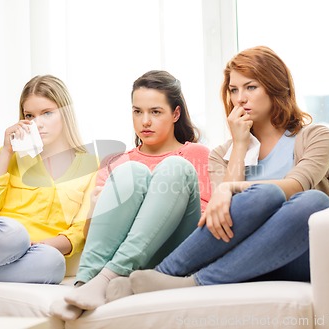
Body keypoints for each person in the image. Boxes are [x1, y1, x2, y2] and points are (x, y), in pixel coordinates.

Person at [111, 46, 329, 295]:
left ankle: (181, 277)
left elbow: (295, 186)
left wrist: (230, 187)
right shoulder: (221, 155)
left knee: (313, 201)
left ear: (275, 87)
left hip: (295, 251)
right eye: (233, 90)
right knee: (261, 196)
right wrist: (240, 144)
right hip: (236, 254)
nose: (239, 98)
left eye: (251, 87)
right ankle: (170, 276)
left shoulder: (316, 137)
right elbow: (225, 216)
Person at [52, 70, 211, 320]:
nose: (144, 121)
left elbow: (206, 223)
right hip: (127, 260)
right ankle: (85, 284)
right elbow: (90, 235)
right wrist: (95, 209)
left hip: (176, 254)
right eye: (137, 111)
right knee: (131, 171)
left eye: (155, 112)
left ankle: (106, 277)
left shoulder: (198, 155)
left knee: (175, 167)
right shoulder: (117, 164)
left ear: (175, 114)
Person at [0, 75, 98, 284]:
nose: (37, 123)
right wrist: (6, 151)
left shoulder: (91, 165)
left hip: (36, 251)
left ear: (65, 114)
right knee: (14, 234)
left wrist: (42, 244)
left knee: (53, 264)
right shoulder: (9, 156)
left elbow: (78, 232)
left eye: (47, 113)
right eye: (30, 115)